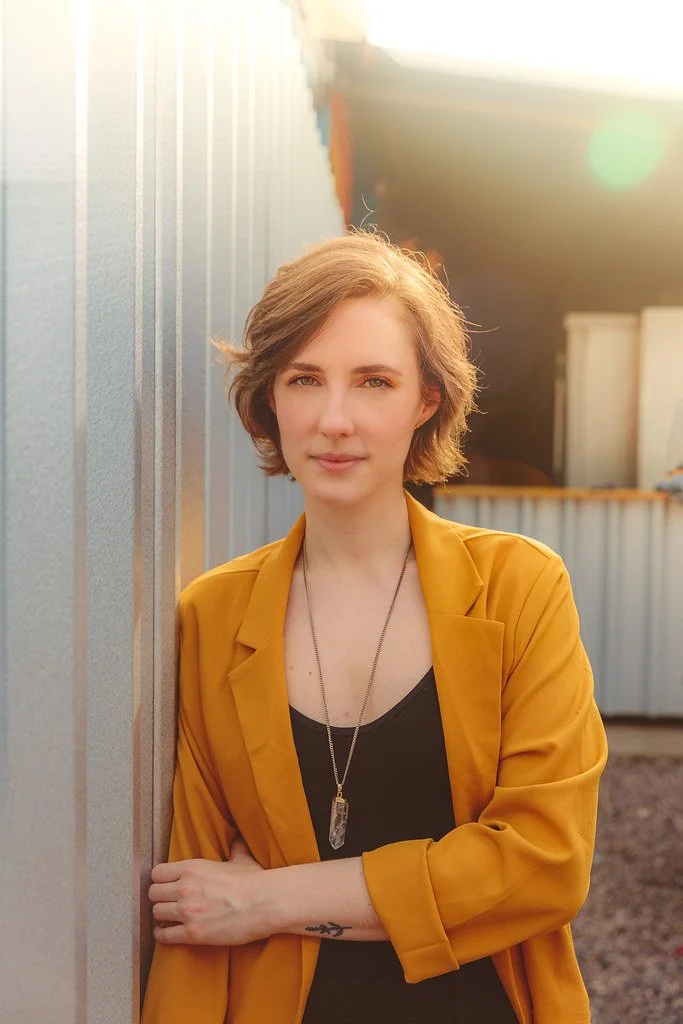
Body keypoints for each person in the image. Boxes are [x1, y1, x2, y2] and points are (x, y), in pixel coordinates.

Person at [141, 231, 608, 1024]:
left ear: (426, 399)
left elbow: (544, 862)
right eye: (304, 379)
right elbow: (194, 906)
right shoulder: (212, 614)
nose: (334, 420)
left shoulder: (519, 588)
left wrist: (270, 900)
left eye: (373, 381)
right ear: (269, 398)